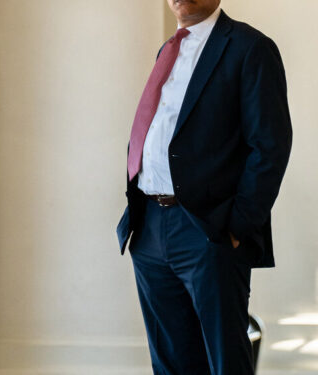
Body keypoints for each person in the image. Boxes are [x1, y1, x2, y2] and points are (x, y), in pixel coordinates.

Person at [116, 0, 292, 373]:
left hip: (207, 230)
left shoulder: (250, 48)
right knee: (171, 364)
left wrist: (238, 225)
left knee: (224, 361)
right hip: (149, 228)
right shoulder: (168, 49)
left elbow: (270, 146)